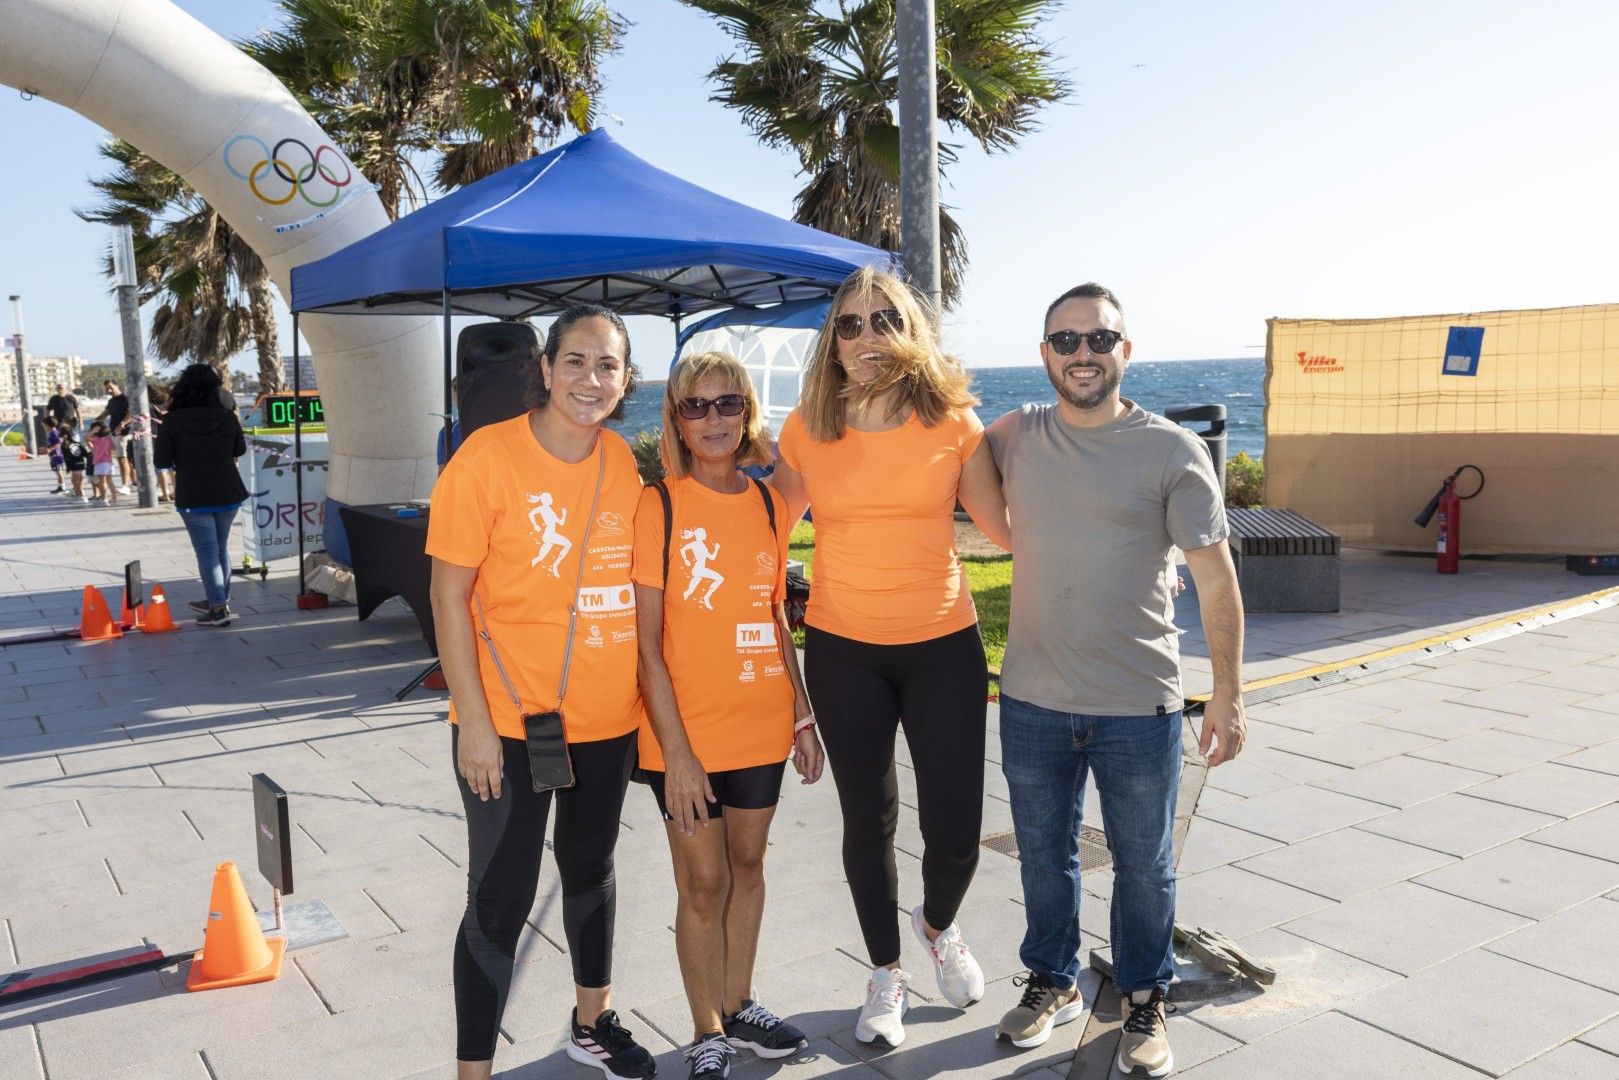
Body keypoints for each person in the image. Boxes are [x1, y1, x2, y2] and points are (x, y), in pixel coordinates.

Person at [986, 283, 1246, 1076]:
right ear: (1043, 356)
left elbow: (1215, 580)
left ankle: (1143, 996)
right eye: (1064, 342)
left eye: (1099, 340)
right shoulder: (1014, 433)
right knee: (1042, 854)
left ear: (1125, 351)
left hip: (1139, 705)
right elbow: (934, 444)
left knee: (1144, 864)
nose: (1082, 354)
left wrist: (1229, 695)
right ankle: (1051, 981)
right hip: (1029, 699)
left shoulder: (1171, 449)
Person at [767, 266, 1012, 1047]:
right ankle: (884, 971)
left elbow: (1008, 532)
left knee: (956, 833)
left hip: (942, 645)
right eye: (849, 324)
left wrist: (1130, 545)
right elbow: (763, 535)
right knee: (865, 820)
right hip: (843, 651)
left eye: (882, 320)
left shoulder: (954, 425)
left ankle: (937, 923)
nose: (866, 336)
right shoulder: (808, 428)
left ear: (909, 330)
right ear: (831, 343)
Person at [427, 304, 656, 1080]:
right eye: (576, 362)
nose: (591, 380)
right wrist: (475, 725)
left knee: (591, 870)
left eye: (608, 367)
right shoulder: (485, 459)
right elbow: (448, 599)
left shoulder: (622, 462)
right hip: (508, 722)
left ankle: (592, 1023)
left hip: (604, 718)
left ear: (626, 382)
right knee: (500, 899)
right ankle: (473, 1072)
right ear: (546, 368)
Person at [634, 351, 825, 1080]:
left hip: (760, 722)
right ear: (676, 419)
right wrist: (676, 753)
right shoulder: (660, 504)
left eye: (727, 403)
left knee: (748, 867)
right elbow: (646, 643)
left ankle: (740, 1003)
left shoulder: (769, 503)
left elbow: (774, 617)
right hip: (683, 734)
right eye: (695, 406)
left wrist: (801, 718)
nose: (712, 419)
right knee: (702, 884)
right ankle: (705, 1026)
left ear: (746, 412)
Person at [153, 363, 248, 627]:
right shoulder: (227, 416)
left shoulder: (172, 420)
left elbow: (160, 459)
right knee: (220, 550)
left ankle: (218, 609)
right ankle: (219, 598)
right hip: (228, 491)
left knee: (207, 552)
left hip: (195, 495)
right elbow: (239, 449)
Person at [98, 379, 134, 494]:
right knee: (125, 459)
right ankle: (134, 482)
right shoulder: (112, 401)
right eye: (107, 389)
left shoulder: (126, 399)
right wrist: (96, 422)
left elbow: (131, 414)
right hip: (113, 433)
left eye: (110, 388)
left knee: (122, 459)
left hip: (124, 433)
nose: (109, 390)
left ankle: (125, 486)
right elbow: (105, 414)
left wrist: (122, 425)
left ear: (117, 385)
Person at [147, 383, 175, 502]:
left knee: (161, 469)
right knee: (173, 469)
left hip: (155, 439)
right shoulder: (166, 405)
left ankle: (165, 494)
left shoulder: (147, 406)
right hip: (170, 438)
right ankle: (176, 492)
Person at [87, 421, 117, 505]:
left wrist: (93, 431)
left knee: (102, 482)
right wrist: (110, 437)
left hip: (100, 463)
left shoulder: (96, 439)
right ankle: (114, 498)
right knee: (110, 481)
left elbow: (86, 438)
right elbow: (114, 448)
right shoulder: (107, 439)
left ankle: (104, 499)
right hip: (109, 463)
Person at [61, 424, 89, 500]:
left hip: (74, 465)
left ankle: (80, 497)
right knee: (76, 480)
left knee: (76, 481)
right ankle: (78, 495)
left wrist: (68, 468)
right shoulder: (77, 443)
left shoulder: (64, 445)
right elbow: (85, 453)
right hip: (80, 464)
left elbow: (67, 458)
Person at [43, 417, 66, 493]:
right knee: (57, 471)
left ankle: (62, 486)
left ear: (48, 425)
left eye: (44, 425)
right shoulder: (51, 434)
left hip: (58, 456)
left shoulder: (55, 433)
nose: (44, 427)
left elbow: (59, 442)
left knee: (59, 471)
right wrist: (45, 449)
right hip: (53, 456)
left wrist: (51, 449)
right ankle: (60, 485)